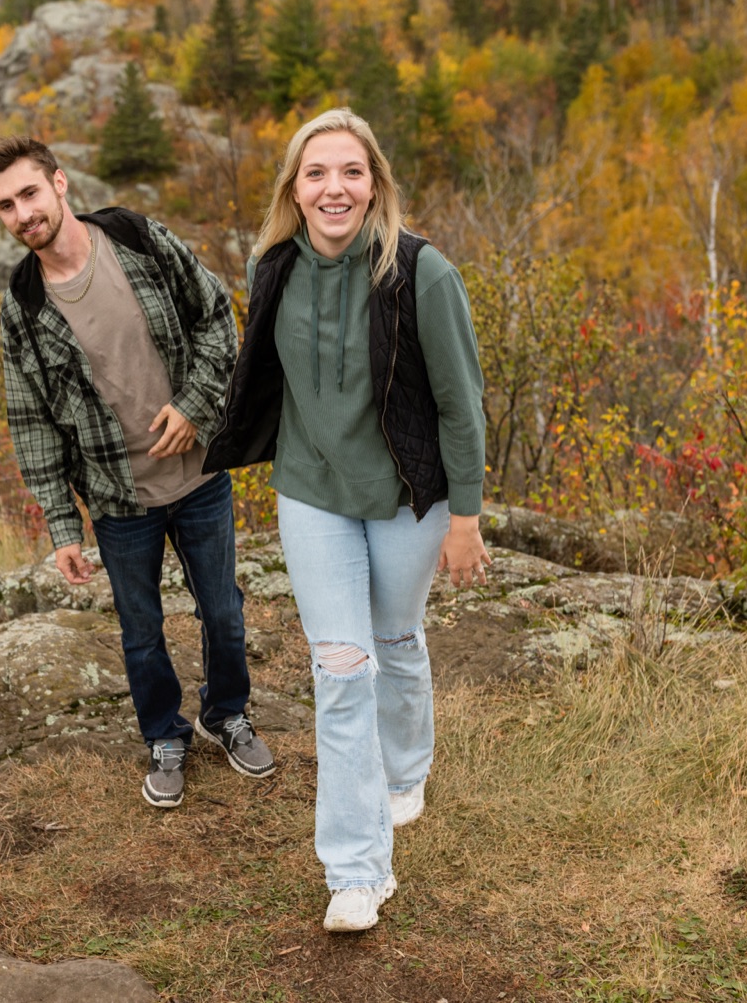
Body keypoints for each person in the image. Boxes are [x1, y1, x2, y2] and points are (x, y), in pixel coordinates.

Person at [204, 109, 490, 931]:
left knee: (395, 638)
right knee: (340, 669)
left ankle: (408, 768)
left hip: (409, 496)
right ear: (294, 189)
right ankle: (357, 871)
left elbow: (459, 406)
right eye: (316, 173)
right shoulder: (274, 266)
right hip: (312, 495)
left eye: (351, 172)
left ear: (375, 185)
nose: (335, 187)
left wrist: (464, 517)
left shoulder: (421, 273)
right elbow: (264, 376)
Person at [0, 136, 276, 810]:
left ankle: (226, 712)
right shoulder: (23, 309)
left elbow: (216, 319)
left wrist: (197, 406)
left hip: (198, 476)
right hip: (118, 501)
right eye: (6, 206)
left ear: (59, 183)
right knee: (141, 632)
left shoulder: (138, 239)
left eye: (29, 193)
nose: (23, 212)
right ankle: (164, 734)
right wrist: (62, 525)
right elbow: (32, 426)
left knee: (222, 611)